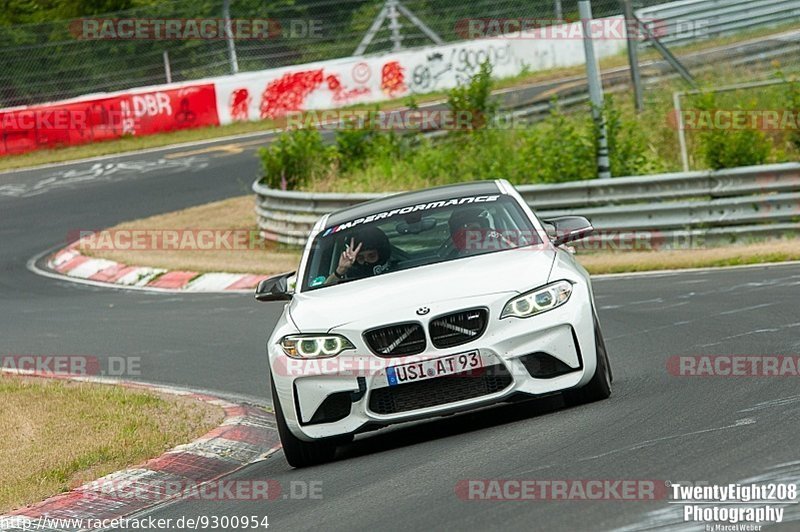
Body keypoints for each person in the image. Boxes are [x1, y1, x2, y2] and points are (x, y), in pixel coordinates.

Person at [325, 226, 392, 285]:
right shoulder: (349, 280)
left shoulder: (397, 269)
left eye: (371, 256)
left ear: (381, 254)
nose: (366, 261)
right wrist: (340, 270)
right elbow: (324, 291)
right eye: (361, 258)